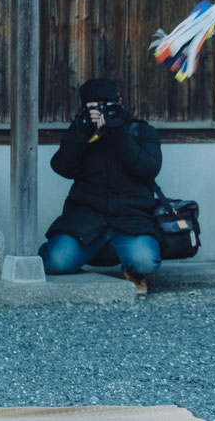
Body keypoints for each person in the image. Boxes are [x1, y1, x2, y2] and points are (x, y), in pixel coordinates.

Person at [39, 78, 163, 295]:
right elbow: (61, 167)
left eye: (107, 106)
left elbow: (148, 168)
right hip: (86, 221)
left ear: (120, 103)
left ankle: (132, 269)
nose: (103, 113)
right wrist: (82, 131)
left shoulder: (141, 132)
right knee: (52, 262)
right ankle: (85, 257)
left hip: (131, 220)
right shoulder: (81, 131)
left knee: (145, 261)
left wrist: (119, 134)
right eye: (95, 107)